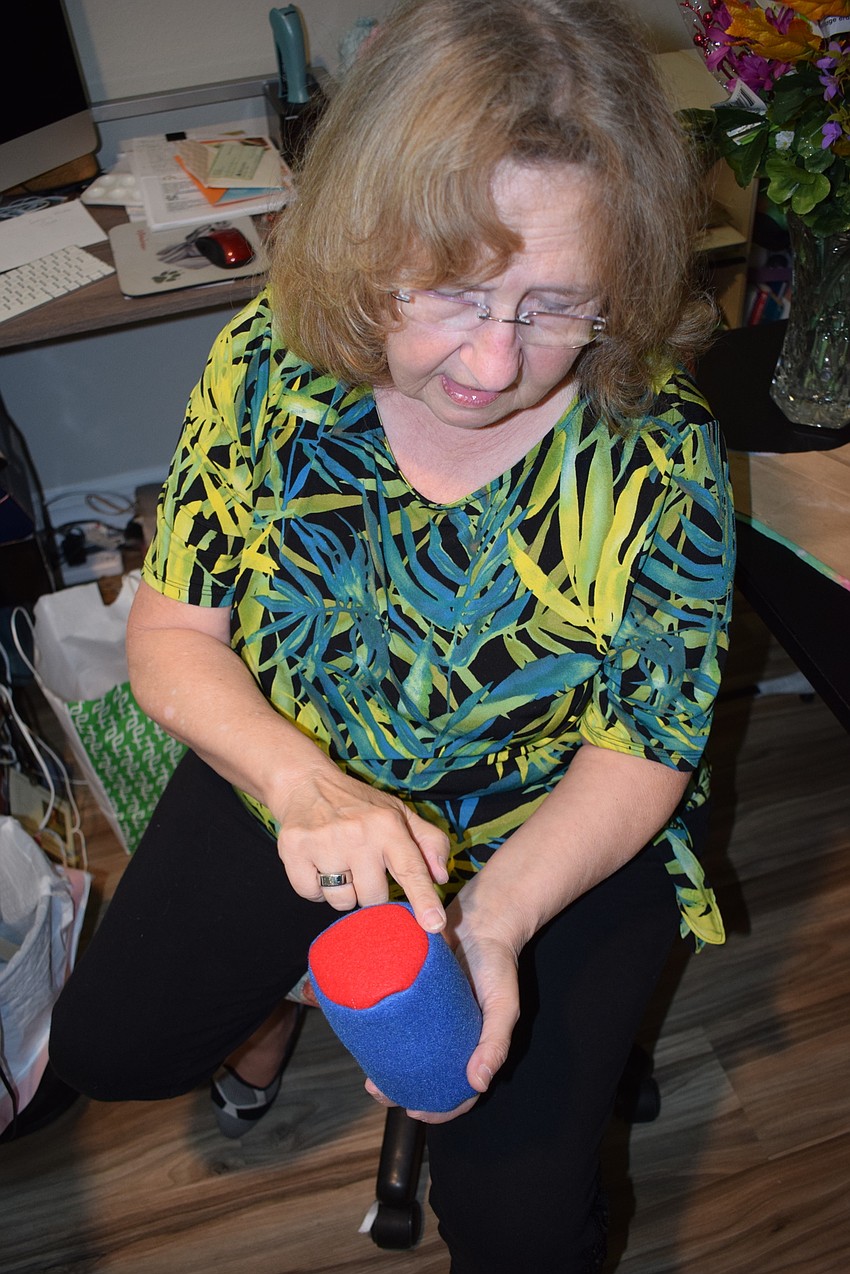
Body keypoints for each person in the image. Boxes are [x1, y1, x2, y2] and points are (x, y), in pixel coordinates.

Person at [49, 0, 735, 1269]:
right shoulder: (268, 365)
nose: (487, 364)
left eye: (552, 306)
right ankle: (289, 990)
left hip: (553, 826)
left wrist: (493, 924)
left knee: (524, 1229)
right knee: (108, 1050)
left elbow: (646, 747)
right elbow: (171, 635)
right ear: (365, 237)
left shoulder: (659, 447)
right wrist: (303, 785)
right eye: (452, 291)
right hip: (299, 777)